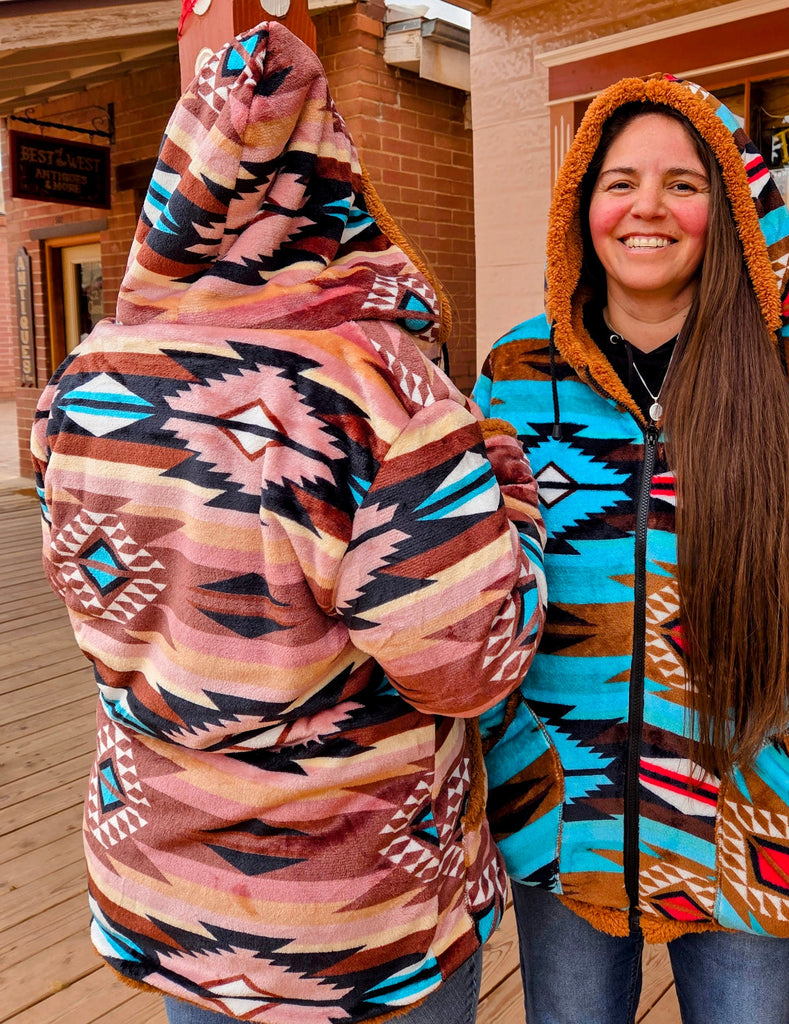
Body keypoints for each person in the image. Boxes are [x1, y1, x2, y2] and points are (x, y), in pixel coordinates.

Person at [32, 23, 545, 1024]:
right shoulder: (375, 391)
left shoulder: (84, 385)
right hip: (356, 922)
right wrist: (510, 490)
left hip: (169, 900)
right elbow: (468, 662)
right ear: (331, 185)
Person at [474, 75, 789, 1024]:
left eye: (683, 183)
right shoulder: (515, 375)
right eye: (620, 181)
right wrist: (512, 773)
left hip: (766, 826)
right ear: (582, 205)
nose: (647, 207)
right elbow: (480, 596)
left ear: (728, 207)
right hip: (566, 824)